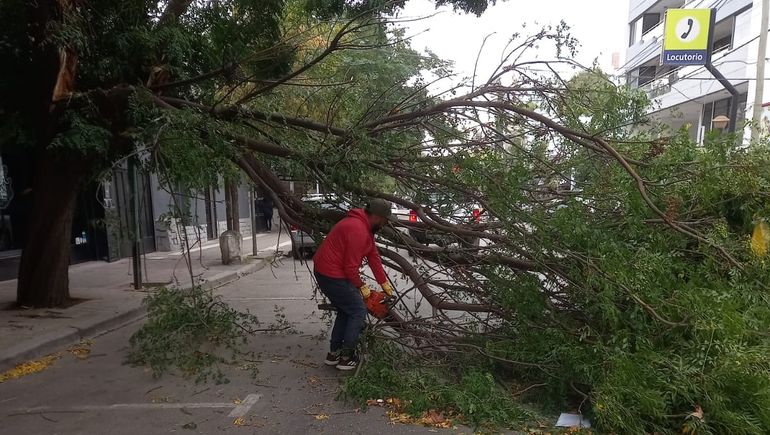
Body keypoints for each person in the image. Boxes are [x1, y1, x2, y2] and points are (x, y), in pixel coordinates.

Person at [312, 198, 394, 370]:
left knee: (346, 310)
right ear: (378, 217)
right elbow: (350, 268)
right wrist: (362, 287)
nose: (385, 224)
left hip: (329, 272)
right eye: (386, 220)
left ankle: (334, 354)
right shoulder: (358, 230)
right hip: (331, 274)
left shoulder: (365, 227)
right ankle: (346, 357)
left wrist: (384, 283)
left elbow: (373, 256)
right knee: (357, 310)